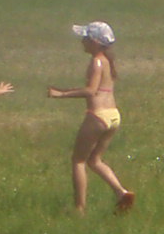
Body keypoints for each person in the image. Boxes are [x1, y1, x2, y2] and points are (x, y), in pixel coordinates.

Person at [50, 20, 134, 213]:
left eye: (85, 38)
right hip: (113, 115)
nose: (82, 42)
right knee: (95, 160)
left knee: (78, 161)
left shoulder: (96, 62)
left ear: (95, 42)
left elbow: (90, 90)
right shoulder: (107, 61)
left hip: (98, 116)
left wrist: (60, 94)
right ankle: (121, 192)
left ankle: (79, 209)